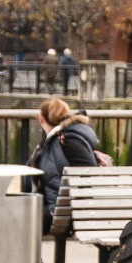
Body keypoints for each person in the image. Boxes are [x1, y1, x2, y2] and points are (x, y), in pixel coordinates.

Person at [27, 97, 102, 237]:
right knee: (14, 212)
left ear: (40, 118)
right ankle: (32, 259)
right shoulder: (53, 139)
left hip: (67, 211)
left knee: (17, 217)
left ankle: (31, 260)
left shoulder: (68, 139)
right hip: (63, 207)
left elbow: (88, 173)